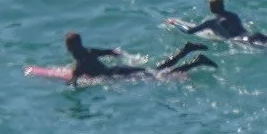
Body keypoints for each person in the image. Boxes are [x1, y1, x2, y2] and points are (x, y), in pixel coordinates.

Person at [58, 31, 215, 85]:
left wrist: (69, 84)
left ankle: (196, 61)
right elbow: (109, 51)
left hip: (118, 75)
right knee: (157, 71)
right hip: (120, 70)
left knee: (161, 75)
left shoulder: (80, 63)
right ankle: (186, 50)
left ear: (70, 47)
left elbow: (74, 80)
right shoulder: (89, 51)